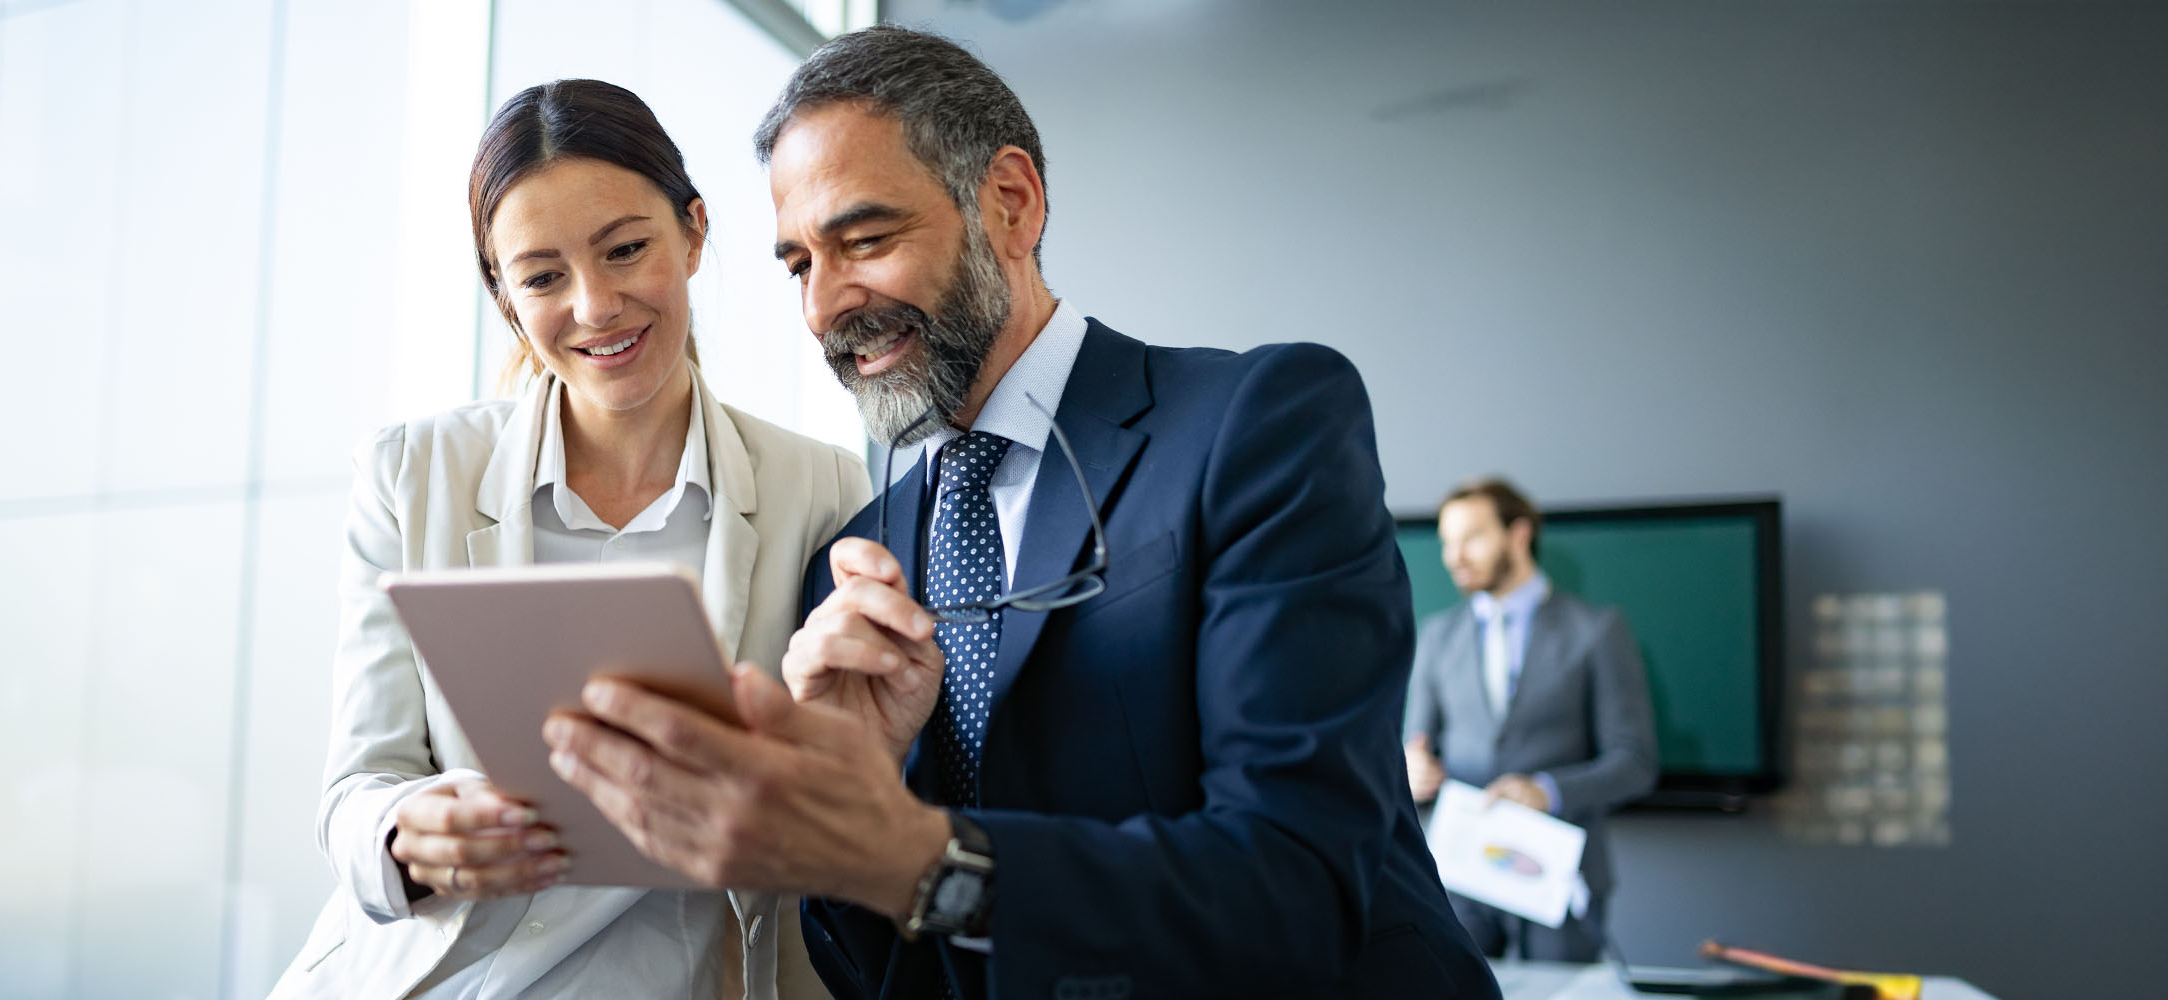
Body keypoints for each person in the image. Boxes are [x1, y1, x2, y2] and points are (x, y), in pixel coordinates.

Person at [530, 27, 1498, 999]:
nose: (826, 304)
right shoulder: (855, 560)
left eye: (864, 240)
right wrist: (848, 789)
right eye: (798, 266)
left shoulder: (1260, 425)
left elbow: (1296, 885)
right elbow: (879, 975)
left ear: (1011, 203)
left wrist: (908, 850)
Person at [268, 79, 867, 1000]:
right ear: (505, 296)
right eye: (543, 277)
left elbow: (840, 794)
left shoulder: (820, 489)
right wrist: (409, 829)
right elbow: (359, 785)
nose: (595, 306)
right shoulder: (410, 474)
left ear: (695, 232)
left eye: (626, 250)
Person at [1402, 476, 1658, 963]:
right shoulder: (1437, 637)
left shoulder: (1598, 630)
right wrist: (1410, 773)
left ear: (1518, 534)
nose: (1454, 556)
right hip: (1462, 880)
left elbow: (1635, 762)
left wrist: (1546, 791)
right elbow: (1416, 750)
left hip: (1559, 880)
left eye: (1472, 538)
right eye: (1447, 543)